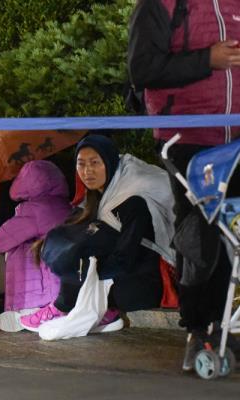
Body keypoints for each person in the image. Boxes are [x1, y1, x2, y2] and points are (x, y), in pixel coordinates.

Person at [128, 0, 240, 371]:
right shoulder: (159, 5)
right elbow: (141, 69)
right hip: (187, 140)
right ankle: (197, 328)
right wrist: (207, 59)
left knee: (232, 236)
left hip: (236, 144)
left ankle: (225, 328)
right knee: (198, 238)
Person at [20, 135, 174, 334]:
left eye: (95, 163)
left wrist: (85, 275)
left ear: (109, 162)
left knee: (86, 249)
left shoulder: (132, 198)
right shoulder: (99, 197)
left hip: (142, 285)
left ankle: (64, 308)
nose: (87, 171)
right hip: (118, 281)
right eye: (81, 164)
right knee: (69, 243)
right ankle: (76, 307)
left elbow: (126, 257)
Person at [0, 160, 71, 332]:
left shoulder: (34, 210)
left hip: (41, 290)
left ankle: (29, 311)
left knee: (19, 247)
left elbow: (0, 241)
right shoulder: (65, 206)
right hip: (63, 285)